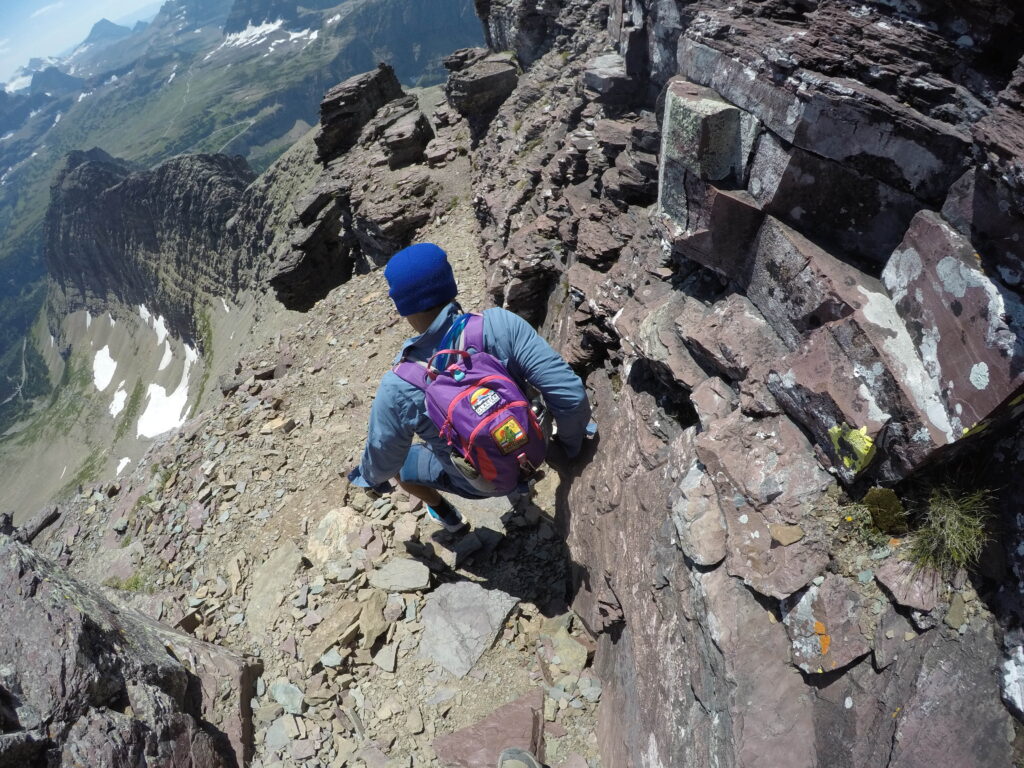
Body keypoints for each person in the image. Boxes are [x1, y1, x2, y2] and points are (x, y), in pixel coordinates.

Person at [347, 242, 591, 532]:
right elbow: (570, 395)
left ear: (402, 305)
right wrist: (568, 448)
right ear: (449, 283)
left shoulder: (399, 384)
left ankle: (447, 517)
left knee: (401, 466)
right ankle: (518, 474)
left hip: (482, 483)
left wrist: (369, 479)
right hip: (534, 448)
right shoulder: (500, 325)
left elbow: (384, 456)